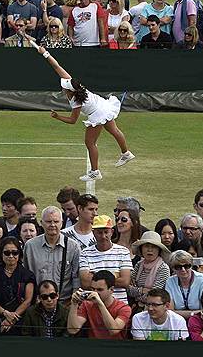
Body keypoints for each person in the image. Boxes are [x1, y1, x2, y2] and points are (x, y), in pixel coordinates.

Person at [35, 43, 133, 181]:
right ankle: (126, 153)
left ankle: (95, 171)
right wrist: (44, 53)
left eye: (63, 87)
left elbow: (72, 121)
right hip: (103, 105)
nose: (62, 86)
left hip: (98, 112)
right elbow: (56, 66)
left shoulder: (76, 101)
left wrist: (57, 116)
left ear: (68, 90)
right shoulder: (75, 85)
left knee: (90, 143)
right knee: (114, 130)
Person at [24, 206, 81, 304]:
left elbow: (76, 278)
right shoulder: (30, 246)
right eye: (48, 221)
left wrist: (72, 302)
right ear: (41, 223)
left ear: (62, 223)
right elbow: (26, 275)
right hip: (38, 303)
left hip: (64, 303)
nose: (52, 225)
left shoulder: (73, 247)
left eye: (56, 221)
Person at [0, 236, 35, 334]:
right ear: (1, 254)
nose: (11, 256)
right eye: (7, 253)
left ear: (19, 254)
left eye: (14, 252)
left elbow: (28, 301)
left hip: (21, 319)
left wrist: (12, 318)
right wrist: (6, 313)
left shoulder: (28, 275)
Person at [67, 270, 131, 339]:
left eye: (99, 290)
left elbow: (114, 330)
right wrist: (74, 304)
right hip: (93, 346)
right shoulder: (87, 304)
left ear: (111, 290)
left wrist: (100, 304)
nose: (95, 293)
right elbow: (73, 330)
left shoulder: (124, 308)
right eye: (92, 289)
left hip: (115, 346)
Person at [128, 231, 171, 309]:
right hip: (135, 307)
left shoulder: (163, 268)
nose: (150, 249)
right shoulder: (139, 265)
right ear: (141, 249)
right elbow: (128, 289)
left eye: (154, 247)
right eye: (147, 246)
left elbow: (154, 295)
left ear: (159, 250)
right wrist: (143, 290)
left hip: (154, 308)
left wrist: (137, 293)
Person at [166, 249, 203, 318]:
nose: (183, 270)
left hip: (200, 319)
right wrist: (194, 313)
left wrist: (179, 313)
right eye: (178, 267)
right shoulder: (170, 281)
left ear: (191, 266)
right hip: (176, 320)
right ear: (173, 269)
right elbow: (169, 312)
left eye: (187, 266)